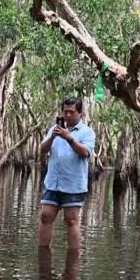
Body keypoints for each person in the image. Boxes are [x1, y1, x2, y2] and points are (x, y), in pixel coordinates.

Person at [38, 97, 96, 258]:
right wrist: (53, 137)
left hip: (73, 184)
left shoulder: (87, 132)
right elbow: (42, 150)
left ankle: (73, 260)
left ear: (80, 113)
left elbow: (85, 152)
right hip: (53, 183)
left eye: (72, 112)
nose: (68, 115)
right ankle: (43, 256)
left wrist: (68, 138)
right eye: (65, 112)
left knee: (71, 221)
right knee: (45, 216)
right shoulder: (54, 129)